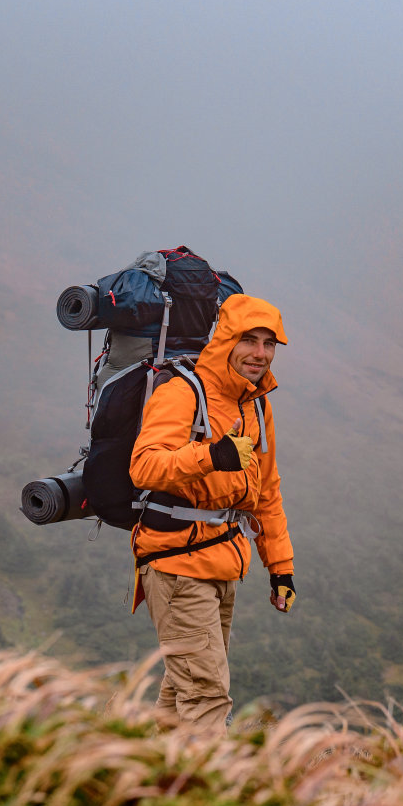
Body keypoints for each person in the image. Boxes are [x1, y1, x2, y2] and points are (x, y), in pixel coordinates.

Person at [128, 293, 295, 731]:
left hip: (222, 562)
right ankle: (208, 792)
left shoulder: (257, 404)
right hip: (175, 563)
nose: (260, 353)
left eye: (269, 343)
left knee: (182, 688)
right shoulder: (183, 393)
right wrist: (211, 457)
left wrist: (280, 568)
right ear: (225, 340)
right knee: (206, 695)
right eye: (249, 340)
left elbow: (267, 491)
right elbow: (143, 466)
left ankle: (142, 779)